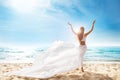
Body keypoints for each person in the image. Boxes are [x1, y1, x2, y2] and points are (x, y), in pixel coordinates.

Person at [5, 20, 96, 78]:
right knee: (78, 57)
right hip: (80, 47)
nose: (83, 30)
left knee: (79, 57)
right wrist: (71, 26)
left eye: (83, 29)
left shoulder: (84, 35)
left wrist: (93, 24)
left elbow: (91, 30)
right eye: (82, 29)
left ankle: (79, 67)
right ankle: (81, 68)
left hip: (84, 48)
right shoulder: (79, 35)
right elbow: (73, 31)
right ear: (81, 30)